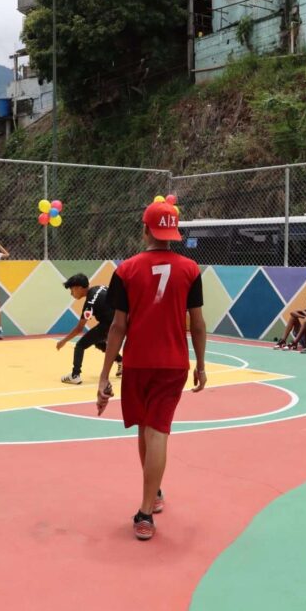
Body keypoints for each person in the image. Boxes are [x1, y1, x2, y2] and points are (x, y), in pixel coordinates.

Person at [96, 200, 207, 541]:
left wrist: (103, 374)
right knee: (157, 431)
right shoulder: (191, 271)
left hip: (137, 363)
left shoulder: (126, 270)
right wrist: (201, 364)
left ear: (145, 229)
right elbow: (198, 324)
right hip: (173, 363)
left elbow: (118, 326)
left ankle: (147, 508)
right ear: (174, 232)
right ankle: (150, 501)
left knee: (145, 431)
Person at [55, 273, 122, 384]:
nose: (71, 293)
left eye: (72, 290)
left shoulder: (89, 303)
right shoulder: (99, 287)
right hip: (120, 320)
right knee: (98, 342)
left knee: (80, 345)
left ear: (79, 288)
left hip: (109, 324)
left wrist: (63, 341)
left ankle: (75, 375)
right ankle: (120, 361)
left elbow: (79, 329)